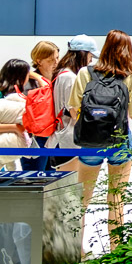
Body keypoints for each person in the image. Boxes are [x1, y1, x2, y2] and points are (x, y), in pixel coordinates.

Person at [68, 29, 132, 245]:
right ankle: (116, 252)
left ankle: (77, 252)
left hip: (90, 142)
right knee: (116, 200)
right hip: (119, 141)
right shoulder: (129, 77)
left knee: (83, 200)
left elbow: (73, 110)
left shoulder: (85, 73)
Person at [47, 34, 98, 174]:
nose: (91, 60)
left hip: (64, 138)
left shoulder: (62, 74)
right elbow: (74, 111)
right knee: (70, 189)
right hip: (69, 140)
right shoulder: (70, 77)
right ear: (82, 54)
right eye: (90, 55)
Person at [22, 40, 61, 171]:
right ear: (39, 60)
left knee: (54, 180)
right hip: (36, 137)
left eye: (57, 58)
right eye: (51, 60)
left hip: (55, 135)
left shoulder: (59, 78)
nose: (56, 62)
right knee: (34, 179)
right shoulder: (29, 82)